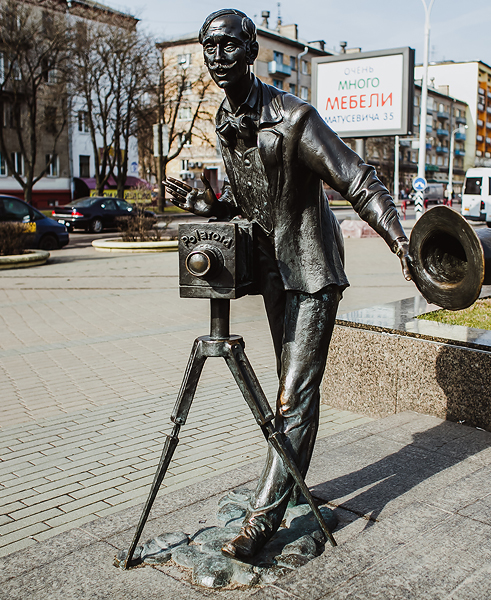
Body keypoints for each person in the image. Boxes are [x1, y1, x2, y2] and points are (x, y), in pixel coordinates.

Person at [164, 9, 414, 561]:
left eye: (229, 45)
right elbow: (255, 201)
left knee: (293, 392)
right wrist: (210, 204)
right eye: (209, 47)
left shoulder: (296, 118)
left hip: (311, 269)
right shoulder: (227, 124)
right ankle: (289, 481)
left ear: (252, 51)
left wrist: (401, 241)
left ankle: (264, 518)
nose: (217, 56)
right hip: (273, 269)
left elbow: (357, 177)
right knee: (292, 388)